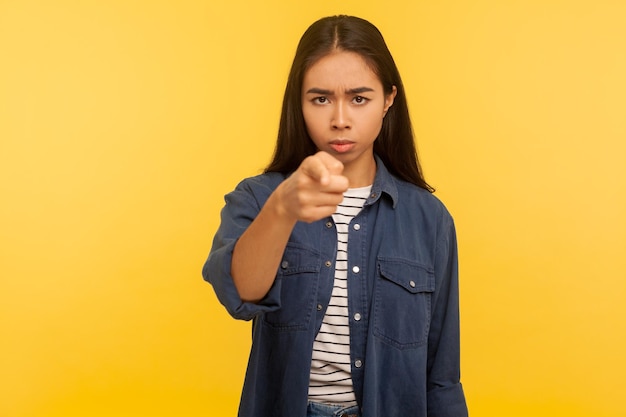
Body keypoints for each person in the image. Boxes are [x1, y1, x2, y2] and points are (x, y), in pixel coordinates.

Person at [203, 15, 468, 417]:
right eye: (320, 98)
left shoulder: (430, 220)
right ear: (300, 101)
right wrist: (283, 208)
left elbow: (442, 375)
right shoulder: (260, 198)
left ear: (388, 99)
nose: (340, 119)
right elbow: (241, 294)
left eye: (359, 98)